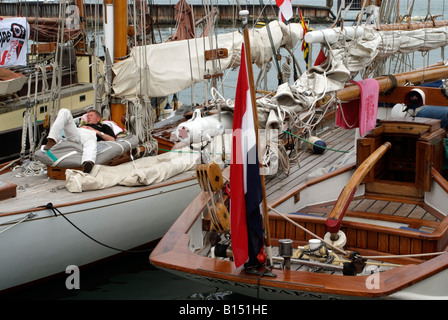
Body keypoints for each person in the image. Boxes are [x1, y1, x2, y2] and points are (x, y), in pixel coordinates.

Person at [44, 109, 116, 173]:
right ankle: (51, 139)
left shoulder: (104, 127)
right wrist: (83, 127)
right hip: (77, 132)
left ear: (98, 118)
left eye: (91, 115)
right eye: (87, 116)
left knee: (89, 137)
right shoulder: (83, 125)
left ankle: (88, 162)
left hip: (89, 135)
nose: (88, 117)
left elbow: (112, 139)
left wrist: (95, 131)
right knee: (65, 111)